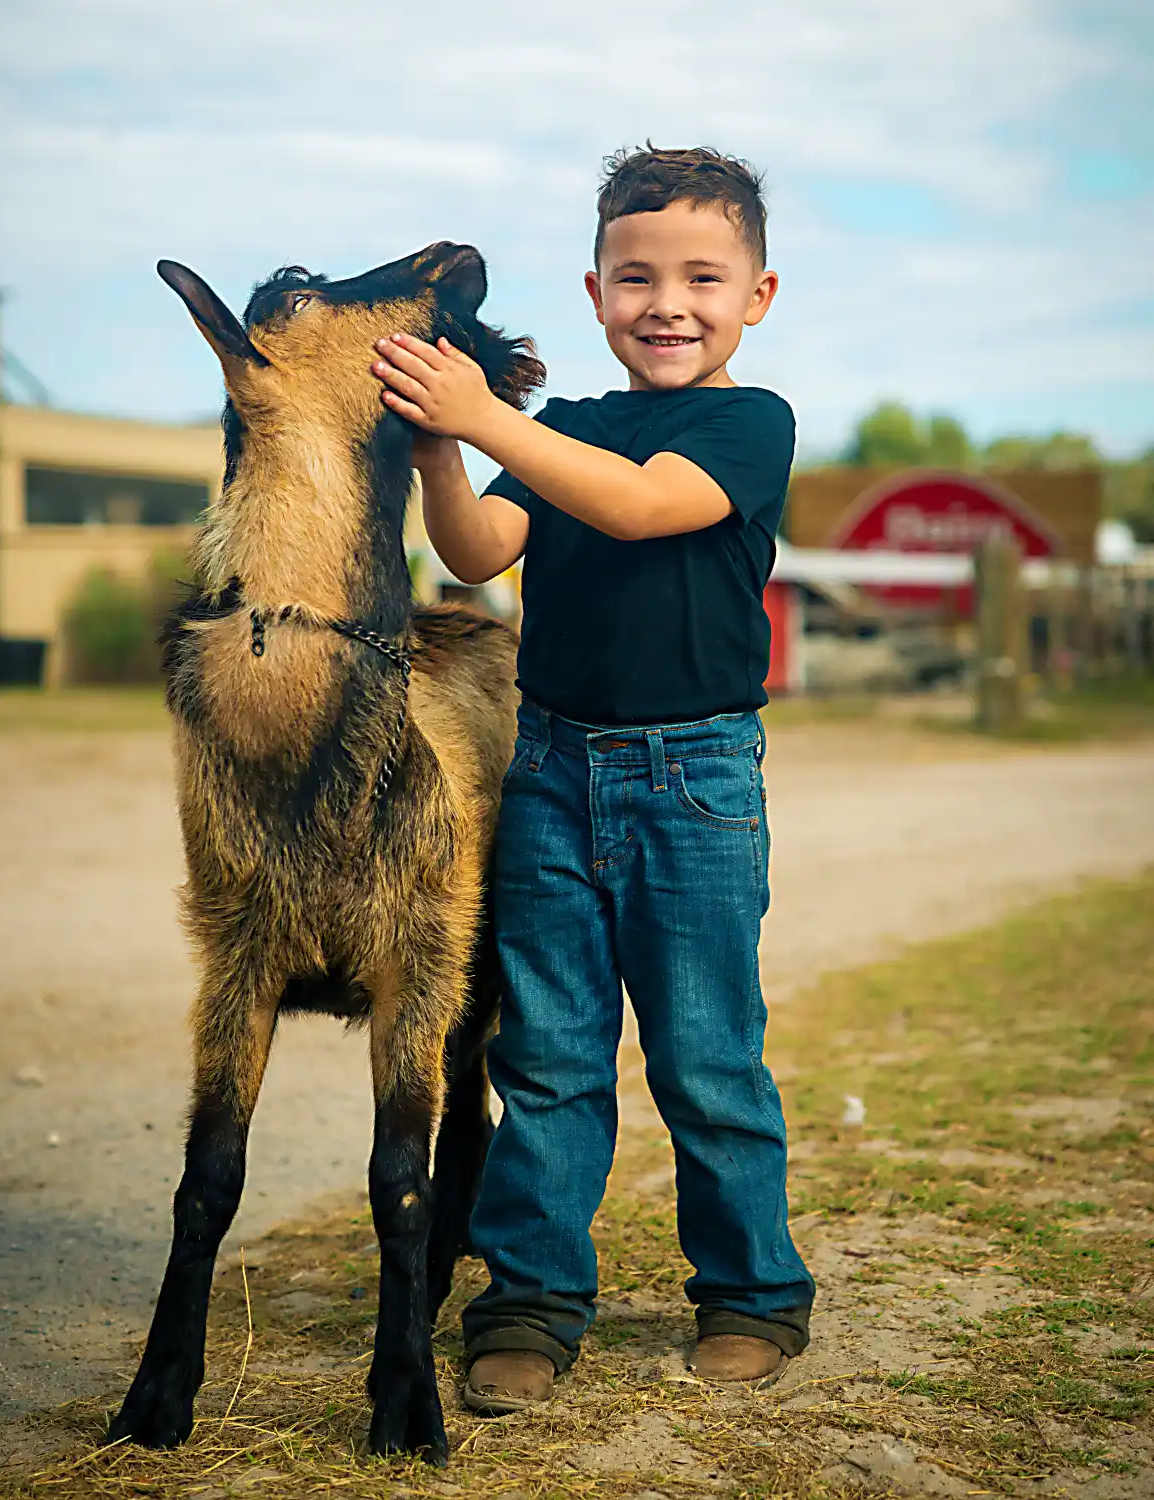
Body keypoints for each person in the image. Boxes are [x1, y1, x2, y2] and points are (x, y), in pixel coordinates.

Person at [371, 144, 814, 1414]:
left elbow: (634, 507)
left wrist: (485, 417)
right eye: (636, 277)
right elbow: (476, 552)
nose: (667, 302)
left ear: (758, 297)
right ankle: (531, 1299)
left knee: (706, 1057)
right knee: (550, 1054)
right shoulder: (558, 430)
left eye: (701, 278)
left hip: (697, 780)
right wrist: (443, 453)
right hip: (551, 767)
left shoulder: (746, 422)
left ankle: (752, 1294)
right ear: (595, 290)